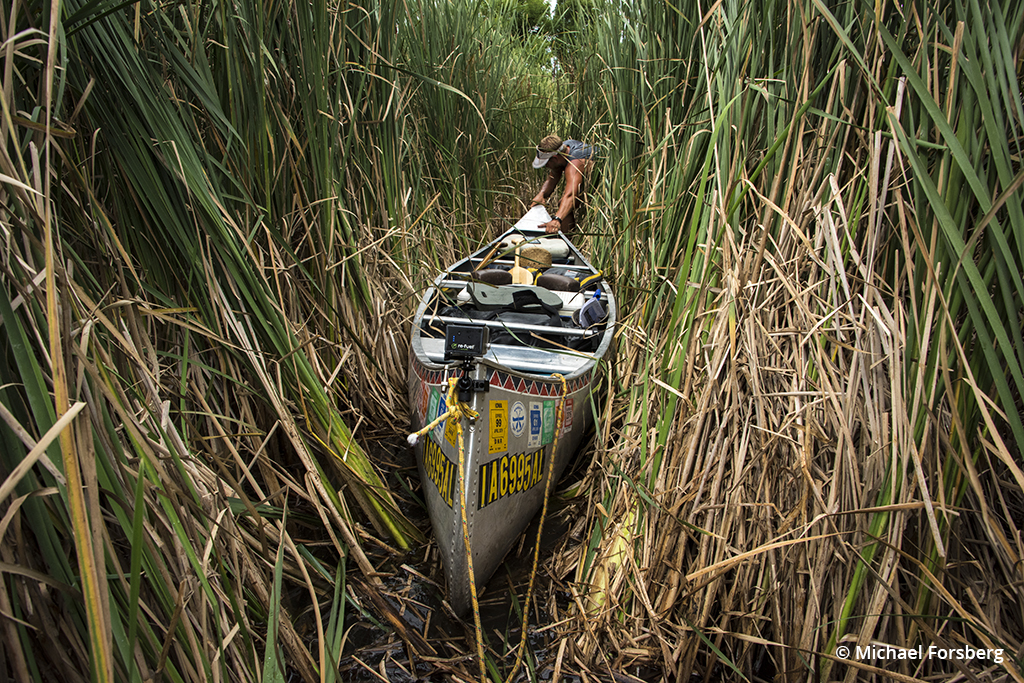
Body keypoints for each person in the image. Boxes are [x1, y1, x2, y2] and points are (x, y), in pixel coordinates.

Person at [529, 135, 597, 234]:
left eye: (546, 164)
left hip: (607, 184)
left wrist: (557, 220)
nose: (546, 167)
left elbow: (571, 195)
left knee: (563, 204)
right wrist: (542, 195)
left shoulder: (575, 163)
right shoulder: (563, 149)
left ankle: (568, 240)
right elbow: (554, 174)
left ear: (555, 158)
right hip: (590, 182)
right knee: (563, 205)